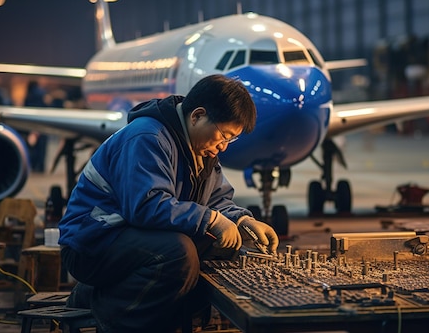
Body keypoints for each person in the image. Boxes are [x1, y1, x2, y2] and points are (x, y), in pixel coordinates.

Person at [58, 74, 279, 332]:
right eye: (223, 136)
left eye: (231, 139)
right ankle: (108, 311)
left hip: (128, 241)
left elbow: (218, 200)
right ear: (197, 116)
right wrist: (211, 220)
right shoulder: (147, 137)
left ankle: (175, 318)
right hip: (91, 244)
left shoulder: (201, 149)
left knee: (225, 245)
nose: (223, 147)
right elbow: (145, 206)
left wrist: (242, 220)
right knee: (177, 254)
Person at [23, 81, 48, 172]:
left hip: (32, 123)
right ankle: (41, 167)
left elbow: (26, 109)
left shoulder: (29, 95)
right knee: (42, 148)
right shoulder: (42, 93)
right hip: (43, 124)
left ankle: (33, 165)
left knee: (33, 148)